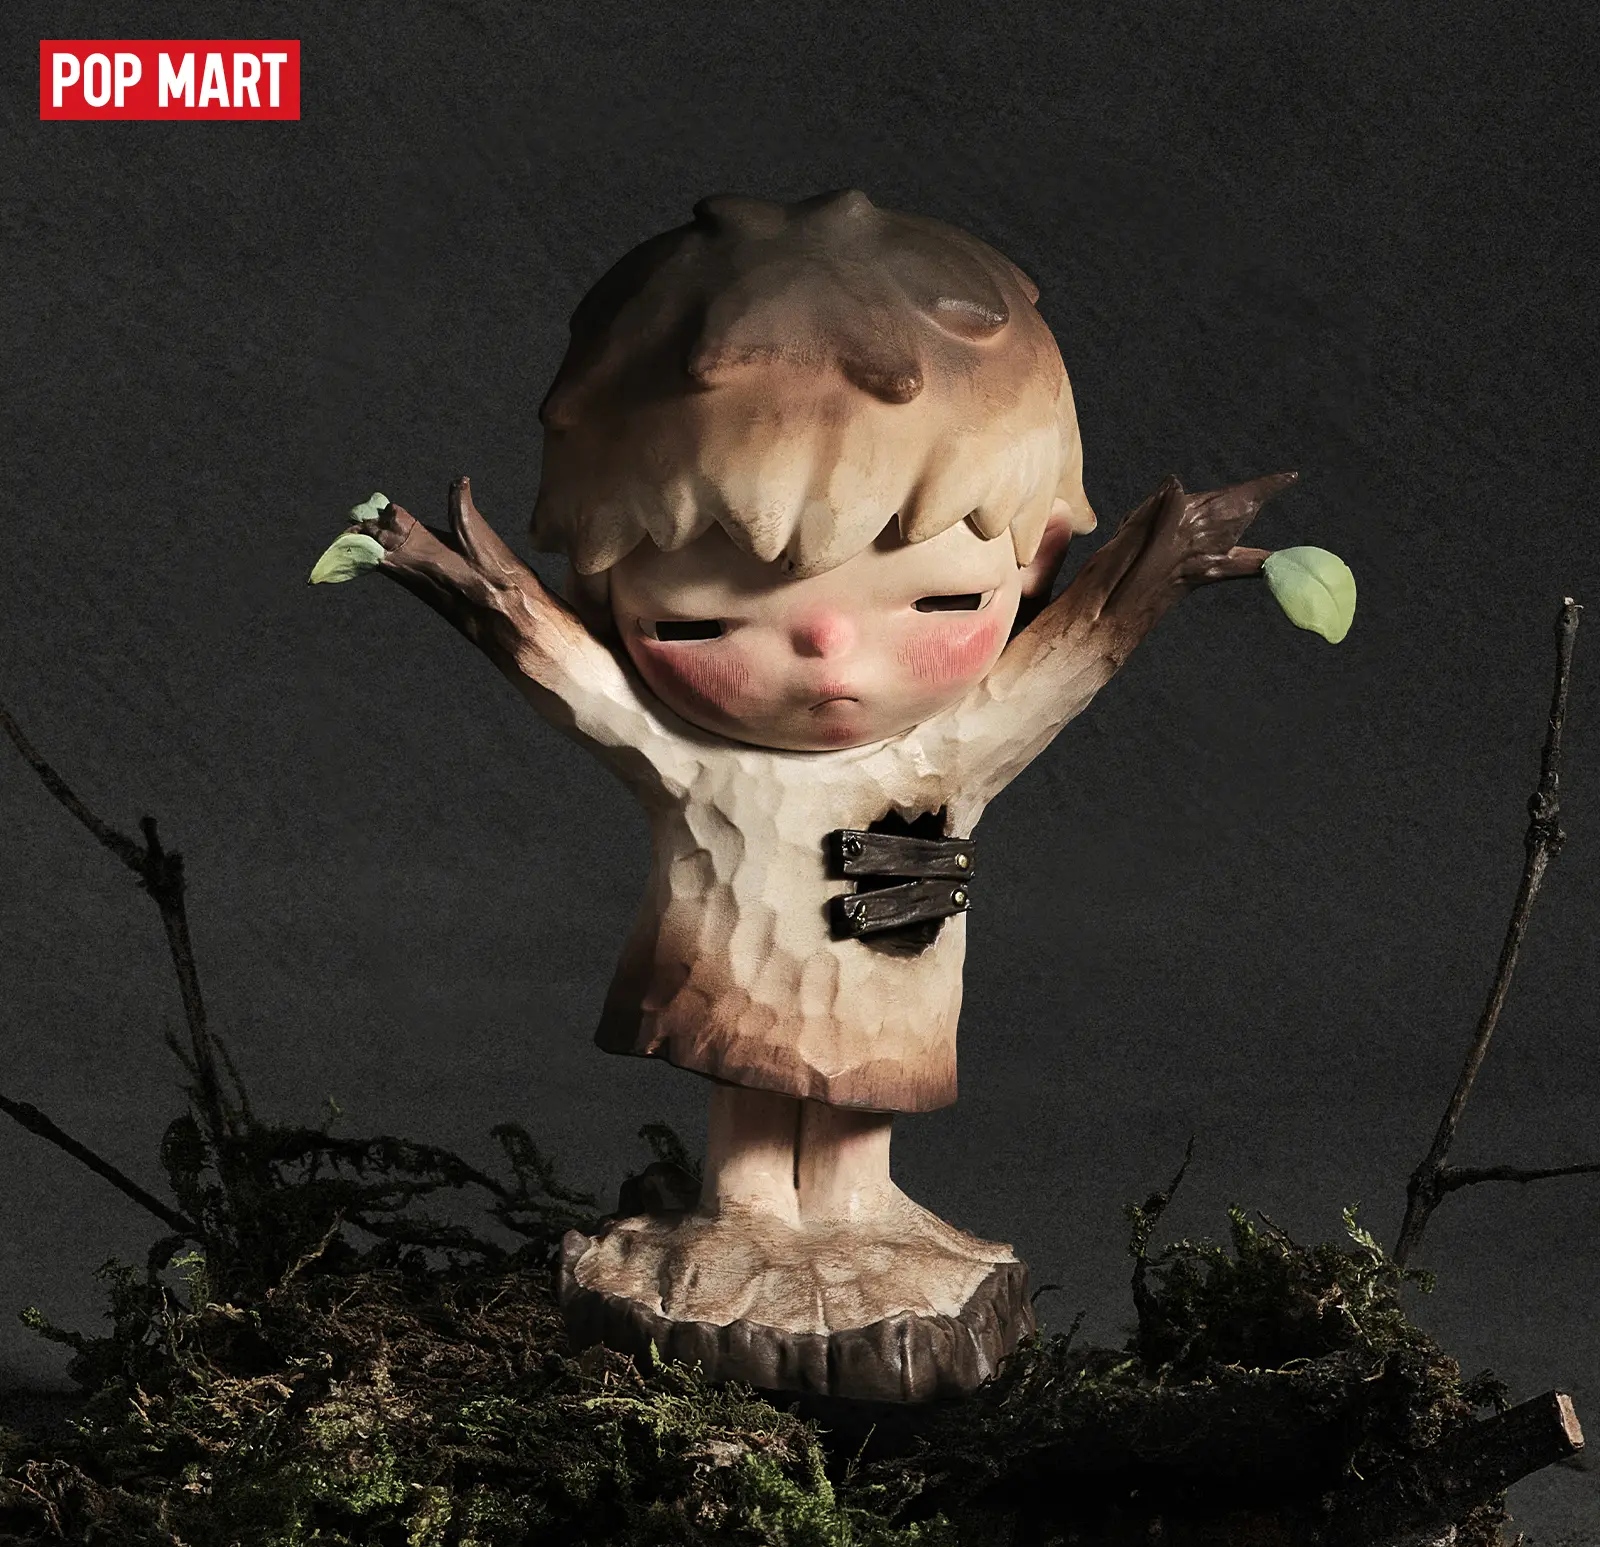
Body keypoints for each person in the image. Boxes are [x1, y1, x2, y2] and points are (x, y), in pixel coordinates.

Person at [323, 189, 1293, 1391]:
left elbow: (1073, 655)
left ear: (1037, 560)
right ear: (605, 593)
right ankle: (743, 1211)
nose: (832, 654)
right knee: (749, 1082)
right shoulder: (694, 761)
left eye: (941, 600)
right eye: (705, 618)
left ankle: (857, 1205)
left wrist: (1158, 569)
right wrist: (464, 586)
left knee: (855, 1094)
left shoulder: (948, 750)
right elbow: (569, 675)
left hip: (890, 940)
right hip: (739, 948)